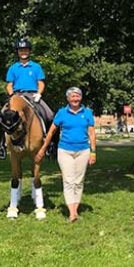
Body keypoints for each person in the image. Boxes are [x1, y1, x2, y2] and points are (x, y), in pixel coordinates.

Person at [35, 87, 96, 223]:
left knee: (79, 181)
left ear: (81, 98)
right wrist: (43, 148)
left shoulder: (87, 113)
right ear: (68, 98)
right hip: (65, 151)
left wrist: (93, 152)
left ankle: (76, 208)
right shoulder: (62, 113)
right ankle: (72, 213)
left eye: (78, 96)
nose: (75, 99)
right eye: (73, 96)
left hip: (83, 151)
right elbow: (51, 132)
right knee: (68, 180)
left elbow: (92, 133)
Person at [0, 38, 54, 160]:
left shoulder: (36, 67)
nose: (23, 52)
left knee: (50, 115)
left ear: (29, 51)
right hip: (16, 96)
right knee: (0, 116)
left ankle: (50, 145)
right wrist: (11, 95)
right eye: (21, 50)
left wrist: (39, 93)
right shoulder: (13, 68)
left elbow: (41, 83)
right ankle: (1, 147)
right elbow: (9, 84)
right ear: (18, 52)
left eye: (26, 49)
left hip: (33, 95)